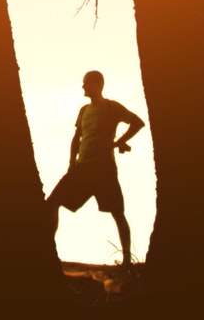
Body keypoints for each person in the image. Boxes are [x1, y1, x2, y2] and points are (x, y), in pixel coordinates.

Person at [46, 70, 146, 265]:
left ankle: (127, 259)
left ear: (97, 84)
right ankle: (49, 251)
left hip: (104, 169)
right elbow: (77, 137)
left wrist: (119, 142)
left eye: (86, 83)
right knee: (52, 203)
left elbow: (137, 122)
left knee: (117, 212)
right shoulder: (83, 110)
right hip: (81, 168)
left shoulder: (111, 107)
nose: (83, 87)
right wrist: (71, 162)